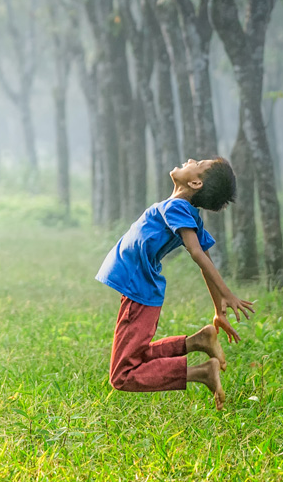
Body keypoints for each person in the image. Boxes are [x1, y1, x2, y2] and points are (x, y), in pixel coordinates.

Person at [95, 157, 254, 409]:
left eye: (198, 162)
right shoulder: (182, 210)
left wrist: (226, 294)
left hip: (139, 291)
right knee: (136, 356)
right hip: (140, 289)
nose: (191, 159)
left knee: (122, 375)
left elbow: (198, 253)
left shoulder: (178, 207)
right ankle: (198, 341)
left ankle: (202, 373)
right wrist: (217, 309)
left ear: (195, 182)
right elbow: (205, 258)